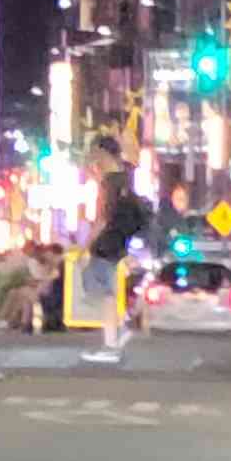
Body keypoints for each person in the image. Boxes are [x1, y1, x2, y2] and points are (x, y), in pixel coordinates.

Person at [80, 151, 151, 362]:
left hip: (105, 245)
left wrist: (87, 246)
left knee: (104, 295)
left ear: (96, 166)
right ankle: (121, 326)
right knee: (107, 292)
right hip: (121, 244)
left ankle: (111, 343)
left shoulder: (107, 186)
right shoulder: (125, 182)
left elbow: (102, 220)